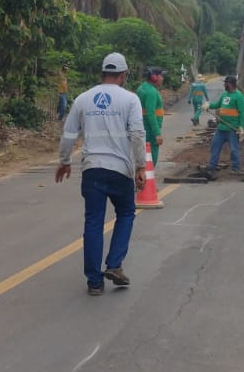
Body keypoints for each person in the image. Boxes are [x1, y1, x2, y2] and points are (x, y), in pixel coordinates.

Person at [56, 52, 147, 296]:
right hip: (120, 170)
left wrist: (64, 161)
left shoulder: (83, 99)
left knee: (94, 222)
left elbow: (68, 134)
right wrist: (141, 166)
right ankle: (114, 264)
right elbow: (137, 134)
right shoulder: (130, 99)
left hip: (92, 169)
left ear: (102, 73)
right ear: (123, 74)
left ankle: (94, 282)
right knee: (126, 213)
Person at [207, 74, 244, 174]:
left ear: (230, 84)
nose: (224, 85)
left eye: (225, 83)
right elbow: (217, 105)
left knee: (234, 149)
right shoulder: (224, 94)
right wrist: (208, 105)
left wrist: (241, 126)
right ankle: (212, 166)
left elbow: (242, 112)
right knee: (215, 147)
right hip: (221, 127)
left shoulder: (239, 96)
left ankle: (236, 168)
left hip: (232, 129)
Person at [137, 66, 165, 165]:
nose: (162, 78)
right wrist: (157, 133)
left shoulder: (142, 87)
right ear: (154, 77)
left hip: (143, 126)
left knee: (143, 156)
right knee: (151, 158)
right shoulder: (151, 92)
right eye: (161, 76)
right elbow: (150, 113)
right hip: (150, 130)